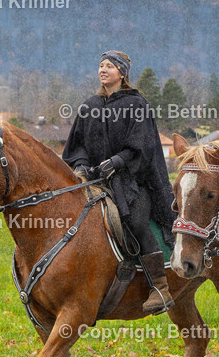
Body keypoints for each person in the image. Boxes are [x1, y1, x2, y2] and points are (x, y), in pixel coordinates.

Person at [62, 50, 176, 313]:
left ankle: (160, 287)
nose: (103, 70)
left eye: (109, 66)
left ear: (122, 73)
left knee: (136, 222)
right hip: (93, 180)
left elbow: (143, 147)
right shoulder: (89, 106)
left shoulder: (137, 105)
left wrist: (117, 161)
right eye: (100, 66)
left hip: (132, 182)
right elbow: (75, 144)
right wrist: (80, 165)